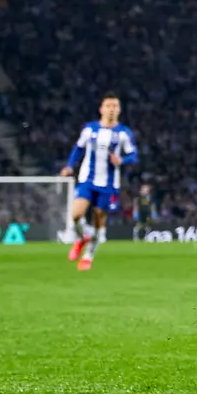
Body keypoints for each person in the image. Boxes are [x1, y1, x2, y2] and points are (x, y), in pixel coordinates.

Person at [60, 96, 137, 271]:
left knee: (98, 221)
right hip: (87, 180)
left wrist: (121, 160)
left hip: (109, 185)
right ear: (101, 109)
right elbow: (78, 148)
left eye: (115, 106)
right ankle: (81, 238)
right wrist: (69, 166)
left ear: (119, 110)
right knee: (76, 215)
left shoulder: (124, 133)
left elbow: (133, 155)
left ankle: (89, 255)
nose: (111, 109)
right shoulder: (90, 129)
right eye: (108, 105)